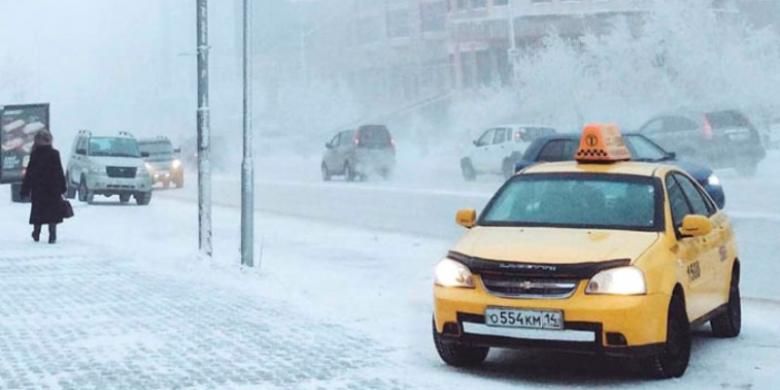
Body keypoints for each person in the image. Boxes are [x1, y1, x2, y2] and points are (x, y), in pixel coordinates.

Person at [20, 130, 67, 244]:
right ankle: (52, 235)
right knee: (52, 213)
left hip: (39, 188)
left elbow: (30, 173)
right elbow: (59, 171)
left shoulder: (35, 154)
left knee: (38, 211)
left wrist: (25, 189)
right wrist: (63, 187)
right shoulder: (55, 153)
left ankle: (36, 233)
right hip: (53, 189)